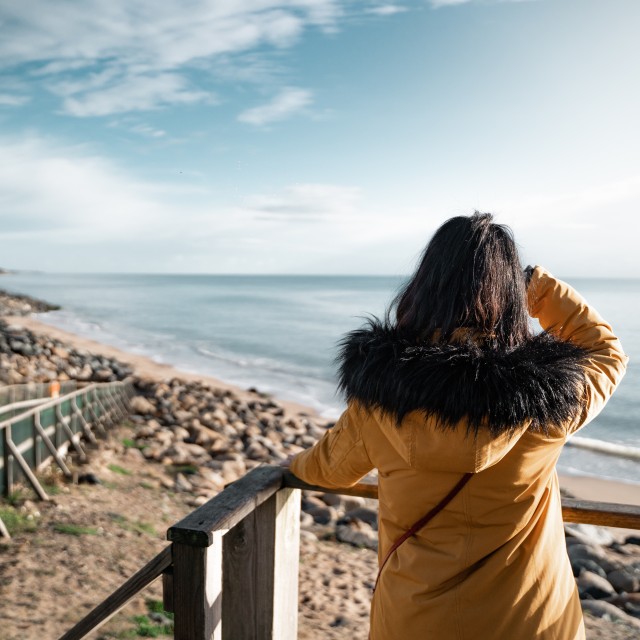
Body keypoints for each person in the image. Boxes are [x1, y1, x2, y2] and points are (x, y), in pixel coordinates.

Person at [287, 212, 628, 640]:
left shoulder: (380, 398)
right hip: (532, 622)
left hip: (415, 621)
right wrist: (537, 286)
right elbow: (604, 351)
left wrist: (287, 469)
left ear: (423, 286)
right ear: (509, 293)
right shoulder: (548, 400)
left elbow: (327, 469)